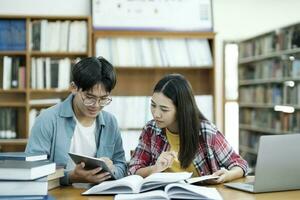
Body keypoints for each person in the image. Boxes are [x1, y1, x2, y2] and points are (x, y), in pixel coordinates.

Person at [128, 74, 248, 183]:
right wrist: (155, 168)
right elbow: (133, 169)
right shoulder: (151, 130)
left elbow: (240, 164)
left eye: (164, 109)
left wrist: (228, 175)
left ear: (181, 109)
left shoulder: (206, 132)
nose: (156, 114)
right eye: (153, 105)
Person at [26, 57, 127, 185]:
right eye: (89, 97)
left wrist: (112, 170)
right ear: (74, 88)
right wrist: (70, 177)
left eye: (103, 99)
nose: (96, 105)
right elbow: (32, 170)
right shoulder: (47, 120)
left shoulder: (110, 122)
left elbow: (122, 166)